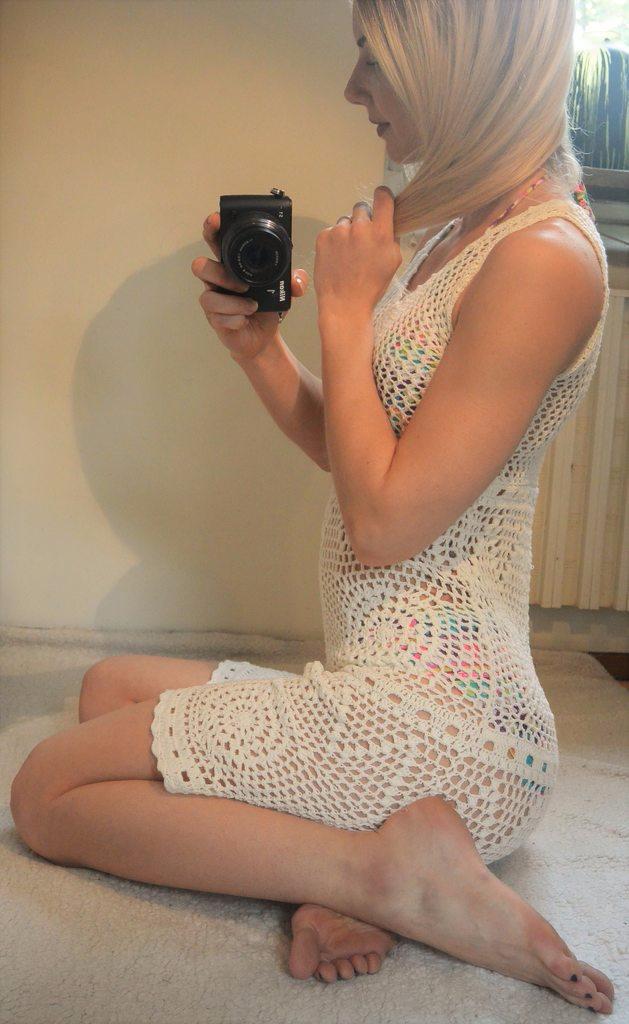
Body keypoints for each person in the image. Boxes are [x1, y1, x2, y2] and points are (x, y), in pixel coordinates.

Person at [11, 0, 614, 1011]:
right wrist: (260, 350)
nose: (352, 89)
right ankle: (361, 850)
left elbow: (381, 527)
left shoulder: (545, 259)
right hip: (385, 689)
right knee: (109, 688)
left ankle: (375, 874)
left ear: (455, 60)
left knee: (47, 791)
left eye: (373, 60)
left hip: (450, 728)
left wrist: (342, 309)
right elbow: (365, 460)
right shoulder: (464, 226)